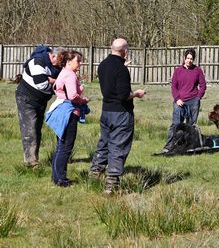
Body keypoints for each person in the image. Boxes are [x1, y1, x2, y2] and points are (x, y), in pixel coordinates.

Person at [89, 38, 145, 194]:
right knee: (118, 146)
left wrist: (122, 67)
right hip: (121, 114)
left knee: (105, 143)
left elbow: (111, 82)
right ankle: (111, 184)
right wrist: (136, 94)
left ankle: (94, 174)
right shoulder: (121, 70)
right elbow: (123, 95)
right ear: (125, 51)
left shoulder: (102, 65)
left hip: (106, 112)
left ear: (111, 48)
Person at [46, 50, 89, 187]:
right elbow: (72, 96)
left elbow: (57, 88)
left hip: (61, 109)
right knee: (65, 147)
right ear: (69, 62)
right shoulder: (70, 75)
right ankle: (61, 179)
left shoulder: (63, 73)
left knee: (60, 146)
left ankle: (56, 177)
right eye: (78, 61)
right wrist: (83, 100)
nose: (80, 64)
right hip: (68, 112)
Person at [15, 45, 61, 167]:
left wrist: (52, 81)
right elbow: (42, 85)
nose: (60, 65)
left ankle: (34, 158)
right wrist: (55, 85)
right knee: (30, 130)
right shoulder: (37, 62)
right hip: (26, 98)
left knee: (37, 129)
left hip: (40, 100)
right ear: (52, 56)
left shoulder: (56, 66)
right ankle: (31, 163)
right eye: (60, 61)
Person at [163, 49, 207, 153]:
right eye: (187, 58)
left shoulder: (197, 70)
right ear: (184, 58)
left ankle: (188, 146)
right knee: (176, 124)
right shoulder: (178, 71)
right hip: (180, 101)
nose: (189, 60)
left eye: (191, 59)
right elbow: (174, 86)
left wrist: (198, 97)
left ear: (194, 59)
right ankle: (169, 146)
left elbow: (203, 85)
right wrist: (177, 98)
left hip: (193, 101)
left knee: (191, 125)